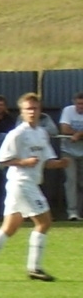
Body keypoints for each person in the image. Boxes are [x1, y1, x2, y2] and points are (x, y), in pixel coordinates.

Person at [0, 93, 69, 282]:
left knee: (10, 227)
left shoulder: (41, 133)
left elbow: (46, 161)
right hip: (22, 182)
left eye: (35, 108)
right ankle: (35, 267)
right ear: (22, 112)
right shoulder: (16, 134)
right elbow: (1, 160)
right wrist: (23, 161)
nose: (32, 112)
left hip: (28, 183)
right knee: (44, 222)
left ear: (40, 111)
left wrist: (59, 163)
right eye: (28, 109)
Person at [58, 91, 83, 221]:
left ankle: (80, 212)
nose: (81, 106)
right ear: (74, 103)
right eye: (79, 104)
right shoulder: (68, 111)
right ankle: (72, 212)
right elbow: (64, 129)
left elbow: (72, 132)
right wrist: (78, 133)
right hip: (68, 152)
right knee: (71, 181)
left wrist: (78, 135)